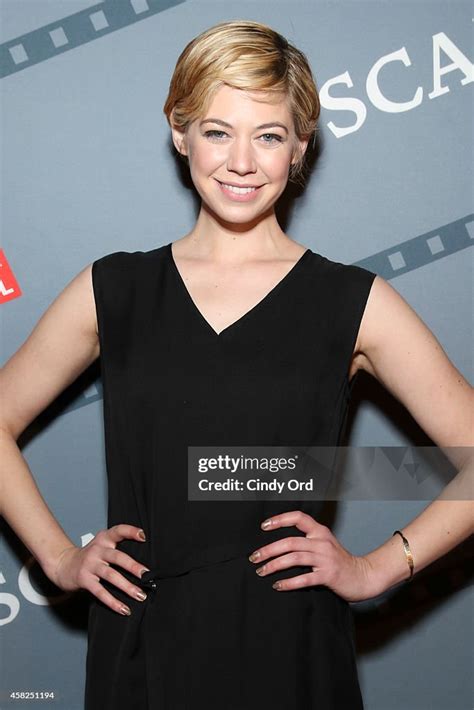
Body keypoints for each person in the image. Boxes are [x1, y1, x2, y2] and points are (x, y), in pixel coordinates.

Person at [0, 19, 472, 710]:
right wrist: (58, 556)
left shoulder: (354, 302)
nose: (242, 161)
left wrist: (378, 567)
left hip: (292, 647)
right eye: (218, 131)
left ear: (300, 148)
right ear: (179, 132)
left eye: (270, 135)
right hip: (141, 647)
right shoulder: (115, 290)